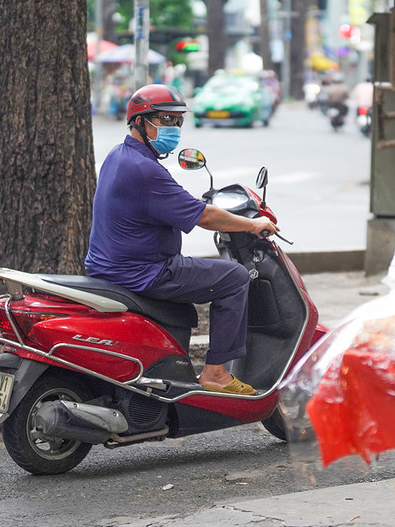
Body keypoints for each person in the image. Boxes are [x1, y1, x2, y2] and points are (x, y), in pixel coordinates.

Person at [84, 84, 279, 395]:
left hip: (113, 266)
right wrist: (251, 225)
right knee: (234, 277)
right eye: (164, 120)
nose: (172, 128)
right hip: (145, 272)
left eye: (177, 121)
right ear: (139, 122)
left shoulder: (119, 156)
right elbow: (204, 217)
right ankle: (216, 374)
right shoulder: (145, 170)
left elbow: (167, 207)